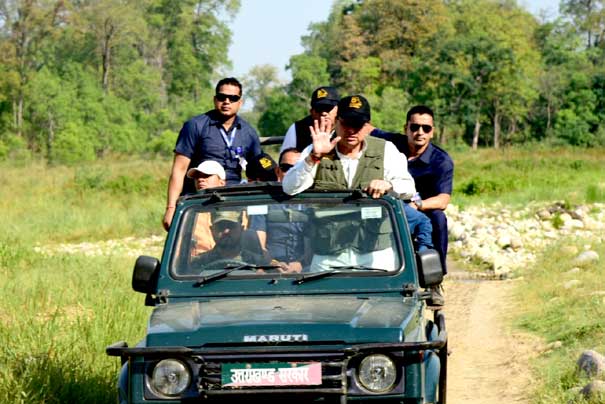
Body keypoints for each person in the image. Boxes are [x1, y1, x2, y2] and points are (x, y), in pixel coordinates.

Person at [282, 95, 416, 272]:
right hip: (327, 253)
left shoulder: (386, 150)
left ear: (368, 126)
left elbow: (409, 188)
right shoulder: (317, 149)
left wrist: (388, 184)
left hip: (375, 252)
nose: (351, 130)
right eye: (346, 123)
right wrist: (314, 157)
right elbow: (289, 188)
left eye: (358, 124)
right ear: (336, 122)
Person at [163, 77, 261, 231]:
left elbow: (258, 174)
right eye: (222, 97)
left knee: (234, 247)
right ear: (215, 99)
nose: (227, 101)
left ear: (240, 102)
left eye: (233, 98)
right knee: (199, 248)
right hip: (199, 202)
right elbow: (179, 169)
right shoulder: (195, 126)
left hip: (233, 205)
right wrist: (170, 208)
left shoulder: (249, 133)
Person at [248, 148, 310, 273]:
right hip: (270, 268)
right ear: (278, 171)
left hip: (308, 269)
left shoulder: (313, 203)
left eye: (297, 167)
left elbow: (313, 244)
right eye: (286, 168)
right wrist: (273, 264)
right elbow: (259, 245)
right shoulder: (264, 202)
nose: (292, 172)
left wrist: (300, 264)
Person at [191, 210, 268, 268]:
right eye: (220, 226)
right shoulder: (199, 262)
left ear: (241, 229)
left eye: (231, 226)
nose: (226, 231)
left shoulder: (259, 262)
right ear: (211, 230)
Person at [279, 86, 339, 153]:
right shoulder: (298, 129)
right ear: (311, 112)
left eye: (328, 108)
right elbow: (286, 159)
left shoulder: (347, 127)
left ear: (338, 110)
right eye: (319, 109)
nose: (323, 113)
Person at [186, 160, 227, 254]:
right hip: (198, 265)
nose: (200, 179)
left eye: (206, 176)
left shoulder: (237, 209)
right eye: (197, 177)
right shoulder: (189, 212)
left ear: (222, 182)